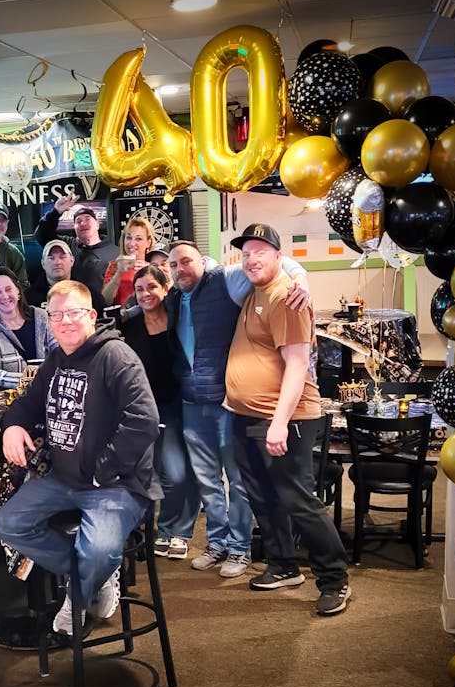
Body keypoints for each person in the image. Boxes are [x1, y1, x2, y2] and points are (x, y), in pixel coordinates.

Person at [0, 281, 161, 633]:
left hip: (116, 484)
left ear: (92, 316)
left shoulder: (116, 356)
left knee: (99, 550)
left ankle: (78, 596)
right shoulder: (56, 360)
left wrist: (101, 472)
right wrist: (12, 426)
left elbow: (143, 421)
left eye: (74, 313)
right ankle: (93, 578)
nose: (65, 321)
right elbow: (26, 404)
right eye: (56, 315)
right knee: (8, 524)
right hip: (64, 477)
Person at [225, 224, 351, 616]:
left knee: (298, 499)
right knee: (262, 495)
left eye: (261, 251)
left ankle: (335, 580)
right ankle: (283, 565)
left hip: (285, 418)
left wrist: (278, 423)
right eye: (246, 252)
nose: (252, 258)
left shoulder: (288, 298)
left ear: (280, 256)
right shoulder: (254, 290)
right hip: (244, 415)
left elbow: (297, 366)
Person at [167, 239, 309, 579]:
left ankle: (240, 548)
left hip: (226, 402)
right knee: (207, 482)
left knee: (237, 480)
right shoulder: (173, 297)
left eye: (186, 261)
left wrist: (301, 281)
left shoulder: (224, 280)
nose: (180, 269)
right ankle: (216, 543)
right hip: (191, 403)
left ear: (202, 261)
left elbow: (281, 265)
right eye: (173, 265)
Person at [120, 265, 200, 560]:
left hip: (181, 403)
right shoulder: (129, 326)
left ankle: (176, 530)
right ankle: (155, 530)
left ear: (166, 288)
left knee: (178, 472)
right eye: (139, 289)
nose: (145, 294)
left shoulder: (181, 317)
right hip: (142, 409)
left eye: (151, 287)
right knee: (147, 474)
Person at [0, 267, 55, 388]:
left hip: (48, 392)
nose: (5, 296)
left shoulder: (41, 317)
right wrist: (23, 381)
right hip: (10, 400)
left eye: (8, 289)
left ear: (18, 290)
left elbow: (59, 351)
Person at [34, 193, 118, 294]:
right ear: (74, 228)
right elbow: (42, 235)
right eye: (78, 221)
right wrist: (55, 212)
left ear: (97, 224)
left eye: (87, 219)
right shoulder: (67, 245)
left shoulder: (115, 251)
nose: (83, 223)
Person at [27, 239, 106, 313]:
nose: (57, 262)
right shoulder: (29, 298)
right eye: (51, 258)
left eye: (62, 257)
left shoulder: (88, 293)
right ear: (43, 263)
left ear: (72, 261)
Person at [101, 216, 154, 306]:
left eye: (138, 239)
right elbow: (106, 300)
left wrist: (150, 271)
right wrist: (118, 273)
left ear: (148, 242)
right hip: (123, 316)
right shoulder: (114, 265)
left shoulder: (155, 265)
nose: (132, 243)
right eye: (128, 238)